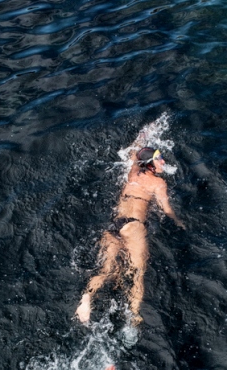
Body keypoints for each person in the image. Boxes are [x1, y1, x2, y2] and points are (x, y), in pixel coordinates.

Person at [75, 137, 185, 327]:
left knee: (107, 269)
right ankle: (133, 315)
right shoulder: (158, 183)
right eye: (158, 159)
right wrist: (179, 221)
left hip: (114, 225)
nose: (163, 162)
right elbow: (166, 209)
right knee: (138, 272)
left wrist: (143, 137)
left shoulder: (133, 172)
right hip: (133, 227)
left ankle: (86, 299)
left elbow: (135, 152)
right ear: (150, 164)